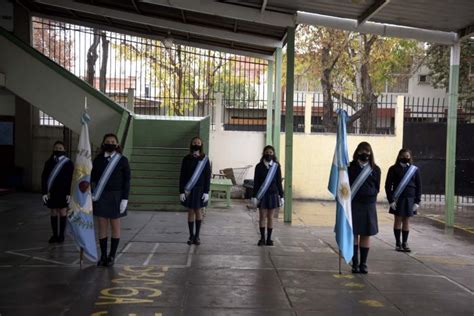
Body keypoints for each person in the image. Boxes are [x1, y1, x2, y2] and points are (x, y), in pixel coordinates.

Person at [91, 134, 131, 267]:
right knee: (102, 226)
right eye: (107, 141)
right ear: (103, 144)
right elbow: (92, 178)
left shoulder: (122, 160)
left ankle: (112, 255)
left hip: (117, 196)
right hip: (101, 195)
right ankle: (103, 255)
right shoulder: (97, 160)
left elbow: (127, 181)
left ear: (117, 145)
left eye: (113, 142)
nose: (110, 143)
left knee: (115, 226)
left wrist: (125, 198)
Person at [348, 142, 381, 274]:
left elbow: (377, 187)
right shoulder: (350, 167)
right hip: (354, 204)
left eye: (367, 152)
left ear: (371, 153)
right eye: (362, 151)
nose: (365, 154)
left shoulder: (375, 169)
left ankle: (363, 264)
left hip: (368, 205)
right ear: (357, 152)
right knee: (354, 234)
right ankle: (355, 263)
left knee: (366, 235)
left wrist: (370, 195)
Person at [385, 148, 422, 252]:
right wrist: (391, 200)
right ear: (399, 156)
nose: (405, 158)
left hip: (410, 199)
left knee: (406, 221)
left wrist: (417, 202)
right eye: (403, 156)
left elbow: (419, 186)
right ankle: (398, 243)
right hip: (398, 199)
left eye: (407, 156)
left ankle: (405, 243)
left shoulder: (414, 170)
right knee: (398, 220)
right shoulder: (393, 169)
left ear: (410, 157)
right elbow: (388, 186)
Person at [179, 136, 211, 246]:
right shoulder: (186, 158)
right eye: (194, 142)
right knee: (190, 212)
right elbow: (182, 176)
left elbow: (207, 176)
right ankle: (191, 236)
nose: (196, 144)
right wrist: (181, 191)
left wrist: (206, 191)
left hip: (200, 190)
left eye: (198, 143)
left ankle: (197, 236)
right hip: (189, 190)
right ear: (191, 144)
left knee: (198, 211)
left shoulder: (205, 159)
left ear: (201, 145)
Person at [41, 141, 74, 243]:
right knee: (53, 211)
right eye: (56, 148)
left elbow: (71, 179)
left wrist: (69, 193)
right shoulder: (49, 162)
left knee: (63, 212)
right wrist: (44, 192)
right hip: (52, 191)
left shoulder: (68, 163)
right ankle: (54, 235)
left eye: (60, 148)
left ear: (64, 150)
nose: (58, 150)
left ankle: (61, 235)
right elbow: (44, 177)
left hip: (63, 191)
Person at [251, 145, 284, 246]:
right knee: (262, 217)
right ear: (263, 153)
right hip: (262, 195)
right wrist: (254, 196)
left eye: (271, 152)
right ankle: (262, 238)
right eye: (267, 152)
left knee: (270, 217)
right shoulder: (259, 166)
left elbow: (279, 181)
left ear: (273, 154)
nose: (269, 154)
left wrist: (282, 196)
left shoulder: (276, 166)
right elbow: (256, 182)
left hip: (273, 194)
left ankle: (269, 239)